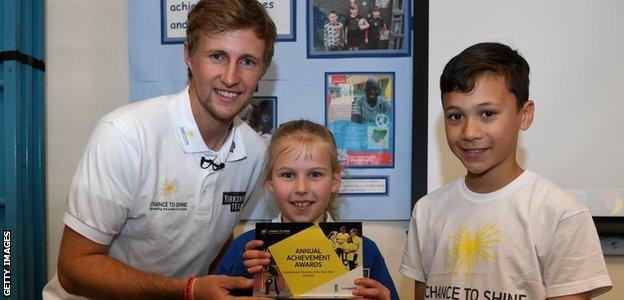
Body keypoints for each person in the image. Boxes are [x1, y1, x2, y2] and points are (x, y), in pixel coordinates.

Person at [42, 0, 277, 299]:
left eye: (247, 61)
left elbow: (210, 239)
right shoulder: (125, 135)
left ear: (262, 69)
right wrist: (189, 290)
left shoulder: (254, 152)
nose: (231, 78)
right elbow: (74, 268)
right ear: (189, 56)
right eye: (217, 56)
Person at [400, 42, 612, 299]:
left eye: (487, 113)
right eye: (455, 116)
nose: (469, 133)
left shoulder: (560, 214)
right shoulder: (427, 211)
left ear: (525, 114)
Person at [215, 120, 399, 300]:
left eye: (315, 174)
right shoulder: (247, 248)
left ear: (335, 181)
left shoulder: (366, 251)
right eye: (288, 175)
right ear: (270, 181)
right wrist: (241, 273)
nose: (301, 188)